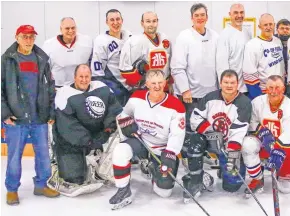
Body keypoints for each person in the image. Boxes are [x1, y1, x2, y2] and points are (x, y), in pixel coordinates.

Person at [110, 70, 186, 209]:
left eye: (160, 83)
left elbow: (177, 134)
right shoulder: (136, 98)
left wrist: (170, 154)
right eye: (153, 83)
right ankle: (123, 189)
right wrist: (126, 124)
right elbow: (124, 114)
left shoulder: (176, 106)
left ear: (165, 83)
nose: (157, 86)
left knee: (164, 193)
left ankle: (153, 169)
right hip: (141, 142)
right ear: (147, 84)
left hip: (162, 149)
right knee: (120, 150)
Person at [1, 25, 59, 205]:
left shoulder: (42, 58)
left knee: (43, 154)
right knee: (14, 157)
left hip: (39, 116)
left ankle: (41, 185)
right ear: (16, 37)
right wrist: (4, 113)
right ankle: (12, 189)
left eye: (31, 37)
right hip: (16, 119)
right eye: (24, 37)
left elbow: (50, 87)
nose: (28, 40)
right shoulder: (7, 60)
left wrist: (50, 111)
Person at [49, 64, 122, 197]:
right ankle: (57, 165)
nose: (84, 80)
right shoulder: (64, 94)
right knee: (76, 179)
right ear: (75, 77)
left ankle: (101, 169)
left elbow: (114, 109)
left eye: (87, 76)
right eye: (81, 77)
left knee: (120, 138)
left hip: (98, 135)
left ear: (91, 76)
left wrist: (107, 129)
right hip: (71, 142)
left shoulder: (101, 88)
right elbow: (68, 126)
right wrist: (88, 141)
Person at [182, 70, 252, 201]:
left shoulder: (245, 103)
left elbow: (239, 130)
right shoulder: (210, 97)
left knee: (232, 186)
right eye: (226, 82)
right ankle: (196, 179)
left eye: (232, 83)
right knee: (194, 141)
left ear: (238, 84)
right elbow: (195, 117)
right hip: (208, 139)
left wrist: (232, 154)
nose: (229, 85)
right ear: (220, 83)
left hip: (228, 145)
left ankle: (223, 168)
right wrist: (210, 133)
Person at [241, 75, 290, 196]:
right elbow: (251, 122)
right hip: (263, 142)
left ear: (283, 89)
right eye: (270, 88)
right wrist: (262, 131)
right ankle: (257, 179)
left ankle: (283, 171)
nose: (273, 91)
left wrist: (277, 150)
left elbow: (289, 134)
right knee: (248, 144)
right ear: (266, 89)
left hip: (283, 147)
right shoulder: (257, 102)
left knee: (286, 189)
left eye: (277, 87)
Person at [171, 3, 219, 133]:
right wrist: (185, 90)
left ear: (207, 17)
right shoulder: (184, 36)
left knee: (209, 129)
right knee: (191, 130)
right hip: (191, 96)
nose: (200, 18)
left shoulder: (215, 36)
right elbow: (177, 67)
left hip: (211, 94)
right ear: (192, 18)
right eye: (196, 15)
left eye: (202, 15)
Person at [119, 11, 172, 92]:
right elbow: (124, 66)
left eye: (154, 21)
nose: (151, 24)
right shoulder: (135, 41)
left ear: (157, 22)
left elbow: (170, 64)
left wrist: (170, 83)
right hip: (146, 90)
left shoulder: (165, 39)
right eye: (148, 21)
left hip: (164, 88)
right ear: (142, 23)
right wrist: (139, 82)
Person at [91, 9, 132, 106]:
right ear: (107, 22)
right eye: (112, 20)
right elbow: (97, 71)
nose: (115, 23)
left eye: (118, 19)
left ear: (122, 20)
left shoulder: (129, 35)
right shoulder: (101, 41)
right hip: (115, 85)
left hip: (131, 83)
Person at [42, 17, 93, 89]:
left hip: (81, 86)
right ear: (61, 29)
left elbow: (92, 64)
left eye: (73, 28)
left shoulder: (87, 41)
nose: (71, 30)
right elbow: (44, 70)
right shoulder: (48, 45)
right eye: (67, 28)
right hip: (58, 88)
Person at [243, 13, 284, 100]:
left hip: (279, 91)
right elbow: (249, 73)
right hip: (263, 92)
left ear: (274, 25)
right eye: (265, 25)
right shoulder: (252, 45)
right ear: (259, 26)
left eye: (270, 24)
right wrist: (258, 97)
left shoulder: (278, 41)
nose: (268, 27)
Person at [216, 3, 251, 94]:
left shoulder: (247, 33)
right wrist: (227, 88)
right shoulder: (225, 35)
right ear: (230, 14)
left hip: (247, 87)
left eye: (241, 12)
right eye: (236, 13)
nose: (239, 15)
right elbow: (221, 65)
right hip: (233, 89)